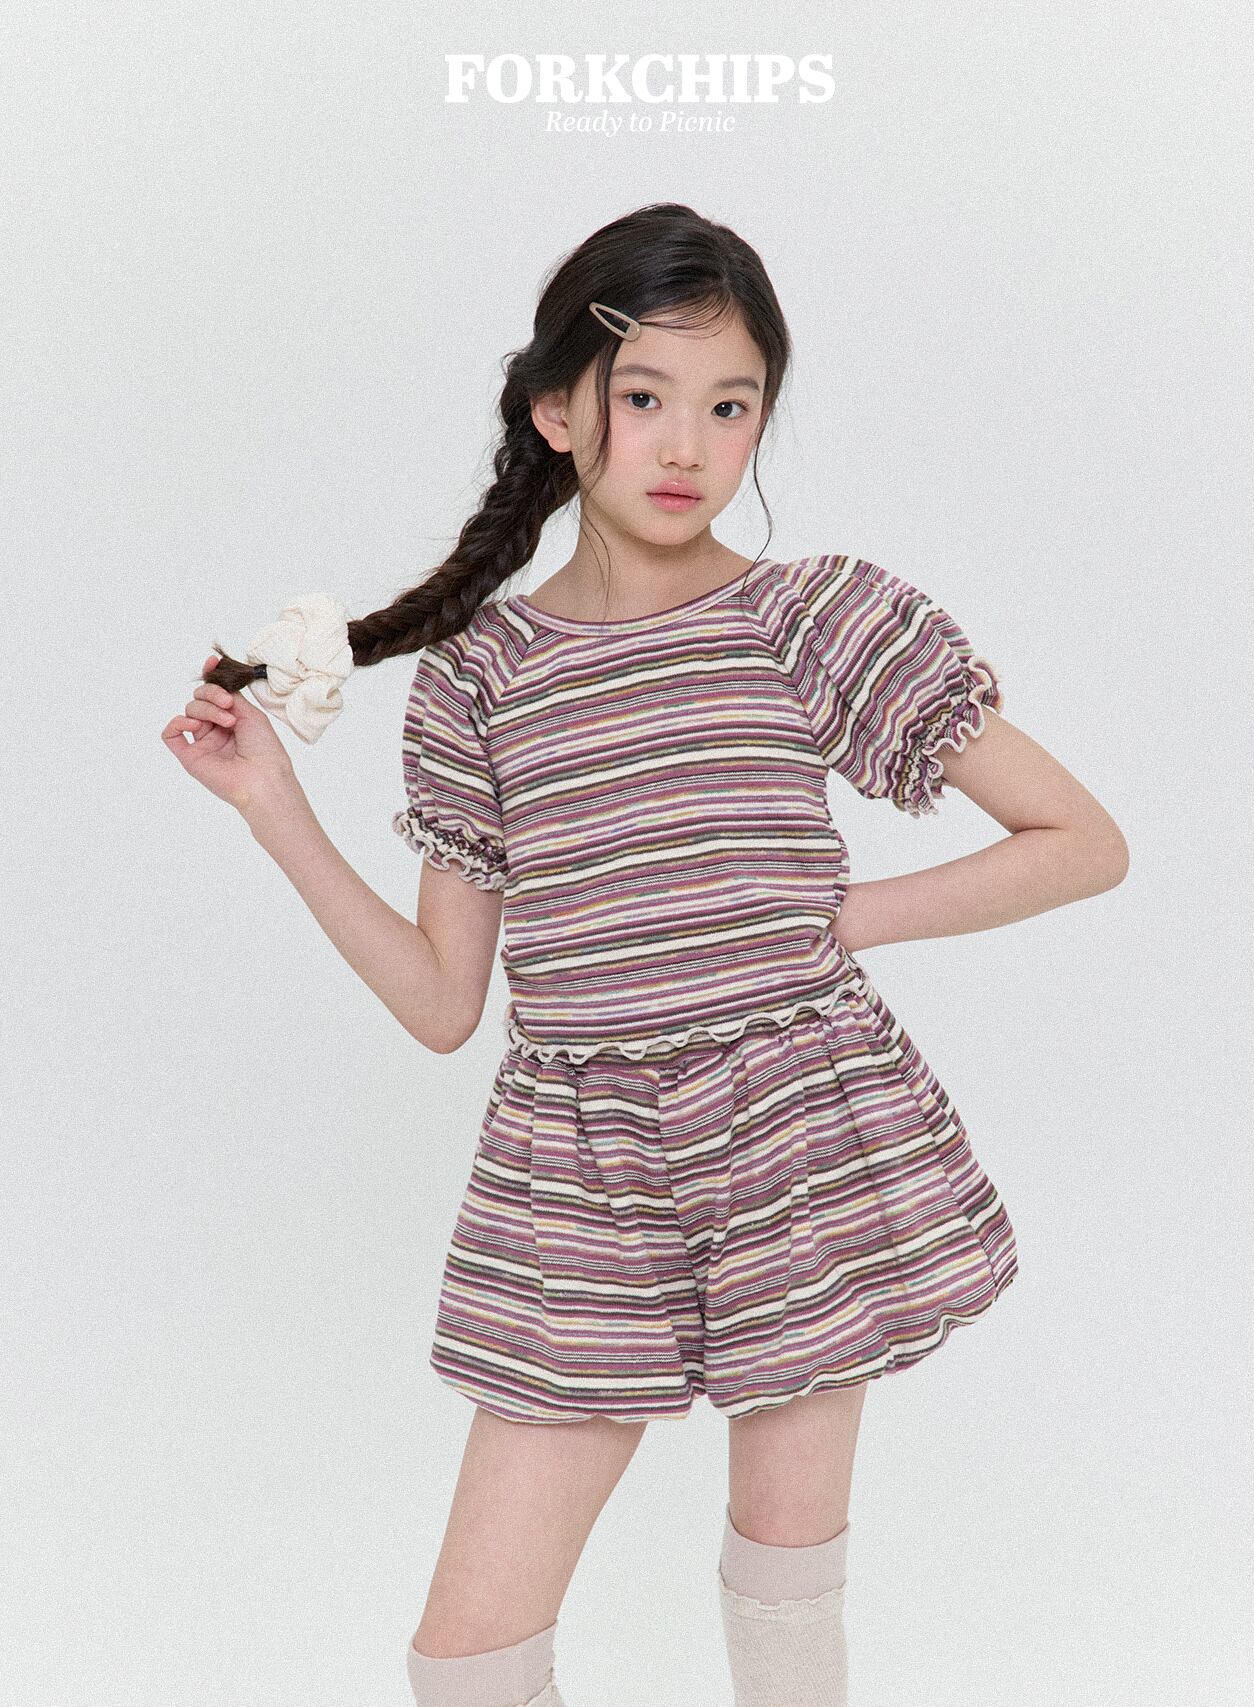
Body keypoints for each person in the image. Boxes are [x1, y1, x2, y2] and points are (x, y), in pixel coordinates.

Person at [162, 202, 1129, 1707]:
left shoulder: (811, 619)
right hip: (580, 1170)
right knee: (468, 1659)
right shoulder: (482, 677)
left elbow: (1080, 840)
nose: (688, 445)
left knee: (786, 1565)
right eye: (645, 397)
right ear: (558, 411)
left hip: (795, 1134)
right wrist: (274, 808)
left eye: (731, 406)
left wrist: (832, 922)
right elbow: (442, 1003)